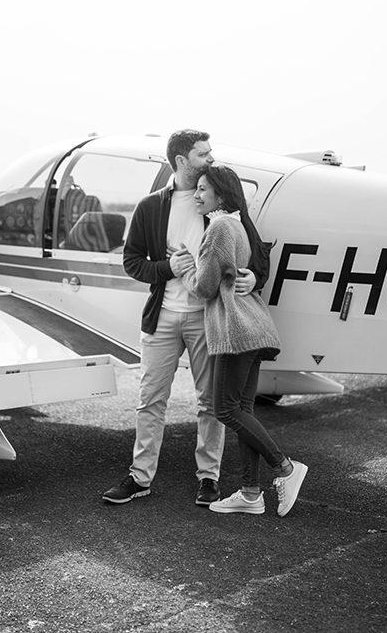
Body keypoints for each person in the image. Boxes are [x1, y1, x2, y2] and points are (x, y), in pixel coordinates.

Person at [102, 130, 269, 506]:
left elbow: (257, 251)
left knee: (210, 403)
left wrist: (255, 277)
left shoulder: (218, 204)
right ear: (180, 161)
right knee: (150, 400)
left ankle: (208, 478)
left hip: (207, 319)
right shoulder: (150, 206)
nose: (210, 159)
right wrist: (168, 267)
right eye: (202, 154)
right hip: (162, 317)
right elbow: (132, 262)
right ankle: (140, 477)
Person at [180, 164, 308, 517]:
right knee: (243, 411)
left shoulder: (220, 227)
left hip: (235, 332)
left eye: (203, 189)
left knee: (225, 409)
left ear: (220, 194)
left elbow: (204, 287)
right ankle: (251, 493)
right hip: (253, 328)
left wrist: (186, 267)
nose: (197, 195)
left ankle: (285, 467)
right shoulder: (239, 225)